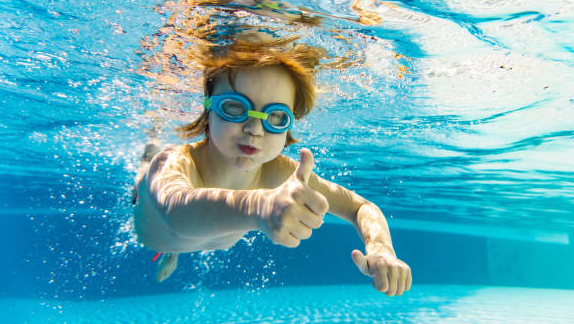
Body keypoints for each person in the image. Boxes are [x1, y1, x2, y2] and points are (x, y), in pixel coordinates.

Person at [133, 29, 412, 296]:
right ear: (208, 106)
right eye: (235, 107)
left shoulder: (280, 173)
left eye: (275, 117)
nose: (255, 129)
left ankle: (176, 251)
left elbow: (361, 206)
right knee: (147, 167)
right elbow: (176, 210)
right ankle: (149, 155)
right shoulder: (172, 163)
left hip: (198, 235)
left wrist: (381, 247)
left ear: (289, 125)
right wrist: (259, 207)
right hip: (156, 223)